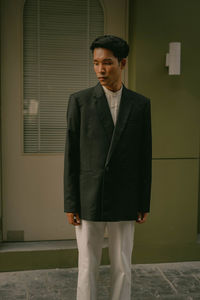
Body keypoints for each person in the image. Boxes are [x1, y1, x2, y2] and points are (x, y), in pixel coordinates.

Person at [64, 35, 152, 300]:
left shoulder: (140, 104)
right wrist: (70, 203)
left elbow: (144, 156)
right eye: (95, 63)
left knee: (123, 265)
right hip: (88, 195)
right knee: (87, 265)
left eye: (107, 63)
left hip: (125, 196)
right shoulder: (79, 102)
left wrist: (143, 201)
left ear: (122, 63)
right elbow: (71, 156)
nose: (100, 70)